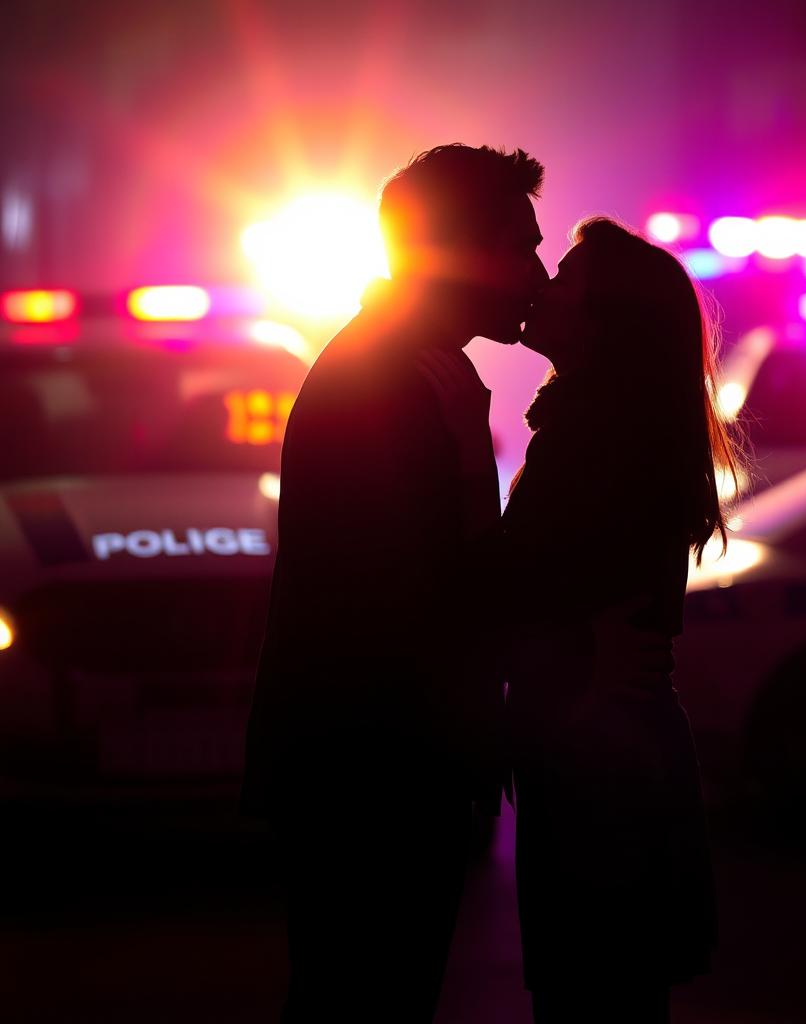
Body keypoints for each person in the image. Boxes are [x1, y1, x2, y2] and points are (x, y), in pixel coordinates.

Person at [241, 143, 547, 1021]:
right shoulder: (387, 381)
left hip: (376, 761)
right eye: (519, 245)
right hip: (372, 773)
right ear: (459, 250)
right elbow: (410, 596)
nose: (535, 271)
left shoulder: (414, 367)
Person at [505, 217, 733, 1022]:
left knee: (592, 994)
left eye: (566, 277)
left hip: (601, 758)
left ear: (606, 323)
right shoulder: (601, 429)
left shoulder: (601, 441)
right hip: (608, 748)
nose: (542, 283)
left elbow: (543, 586)